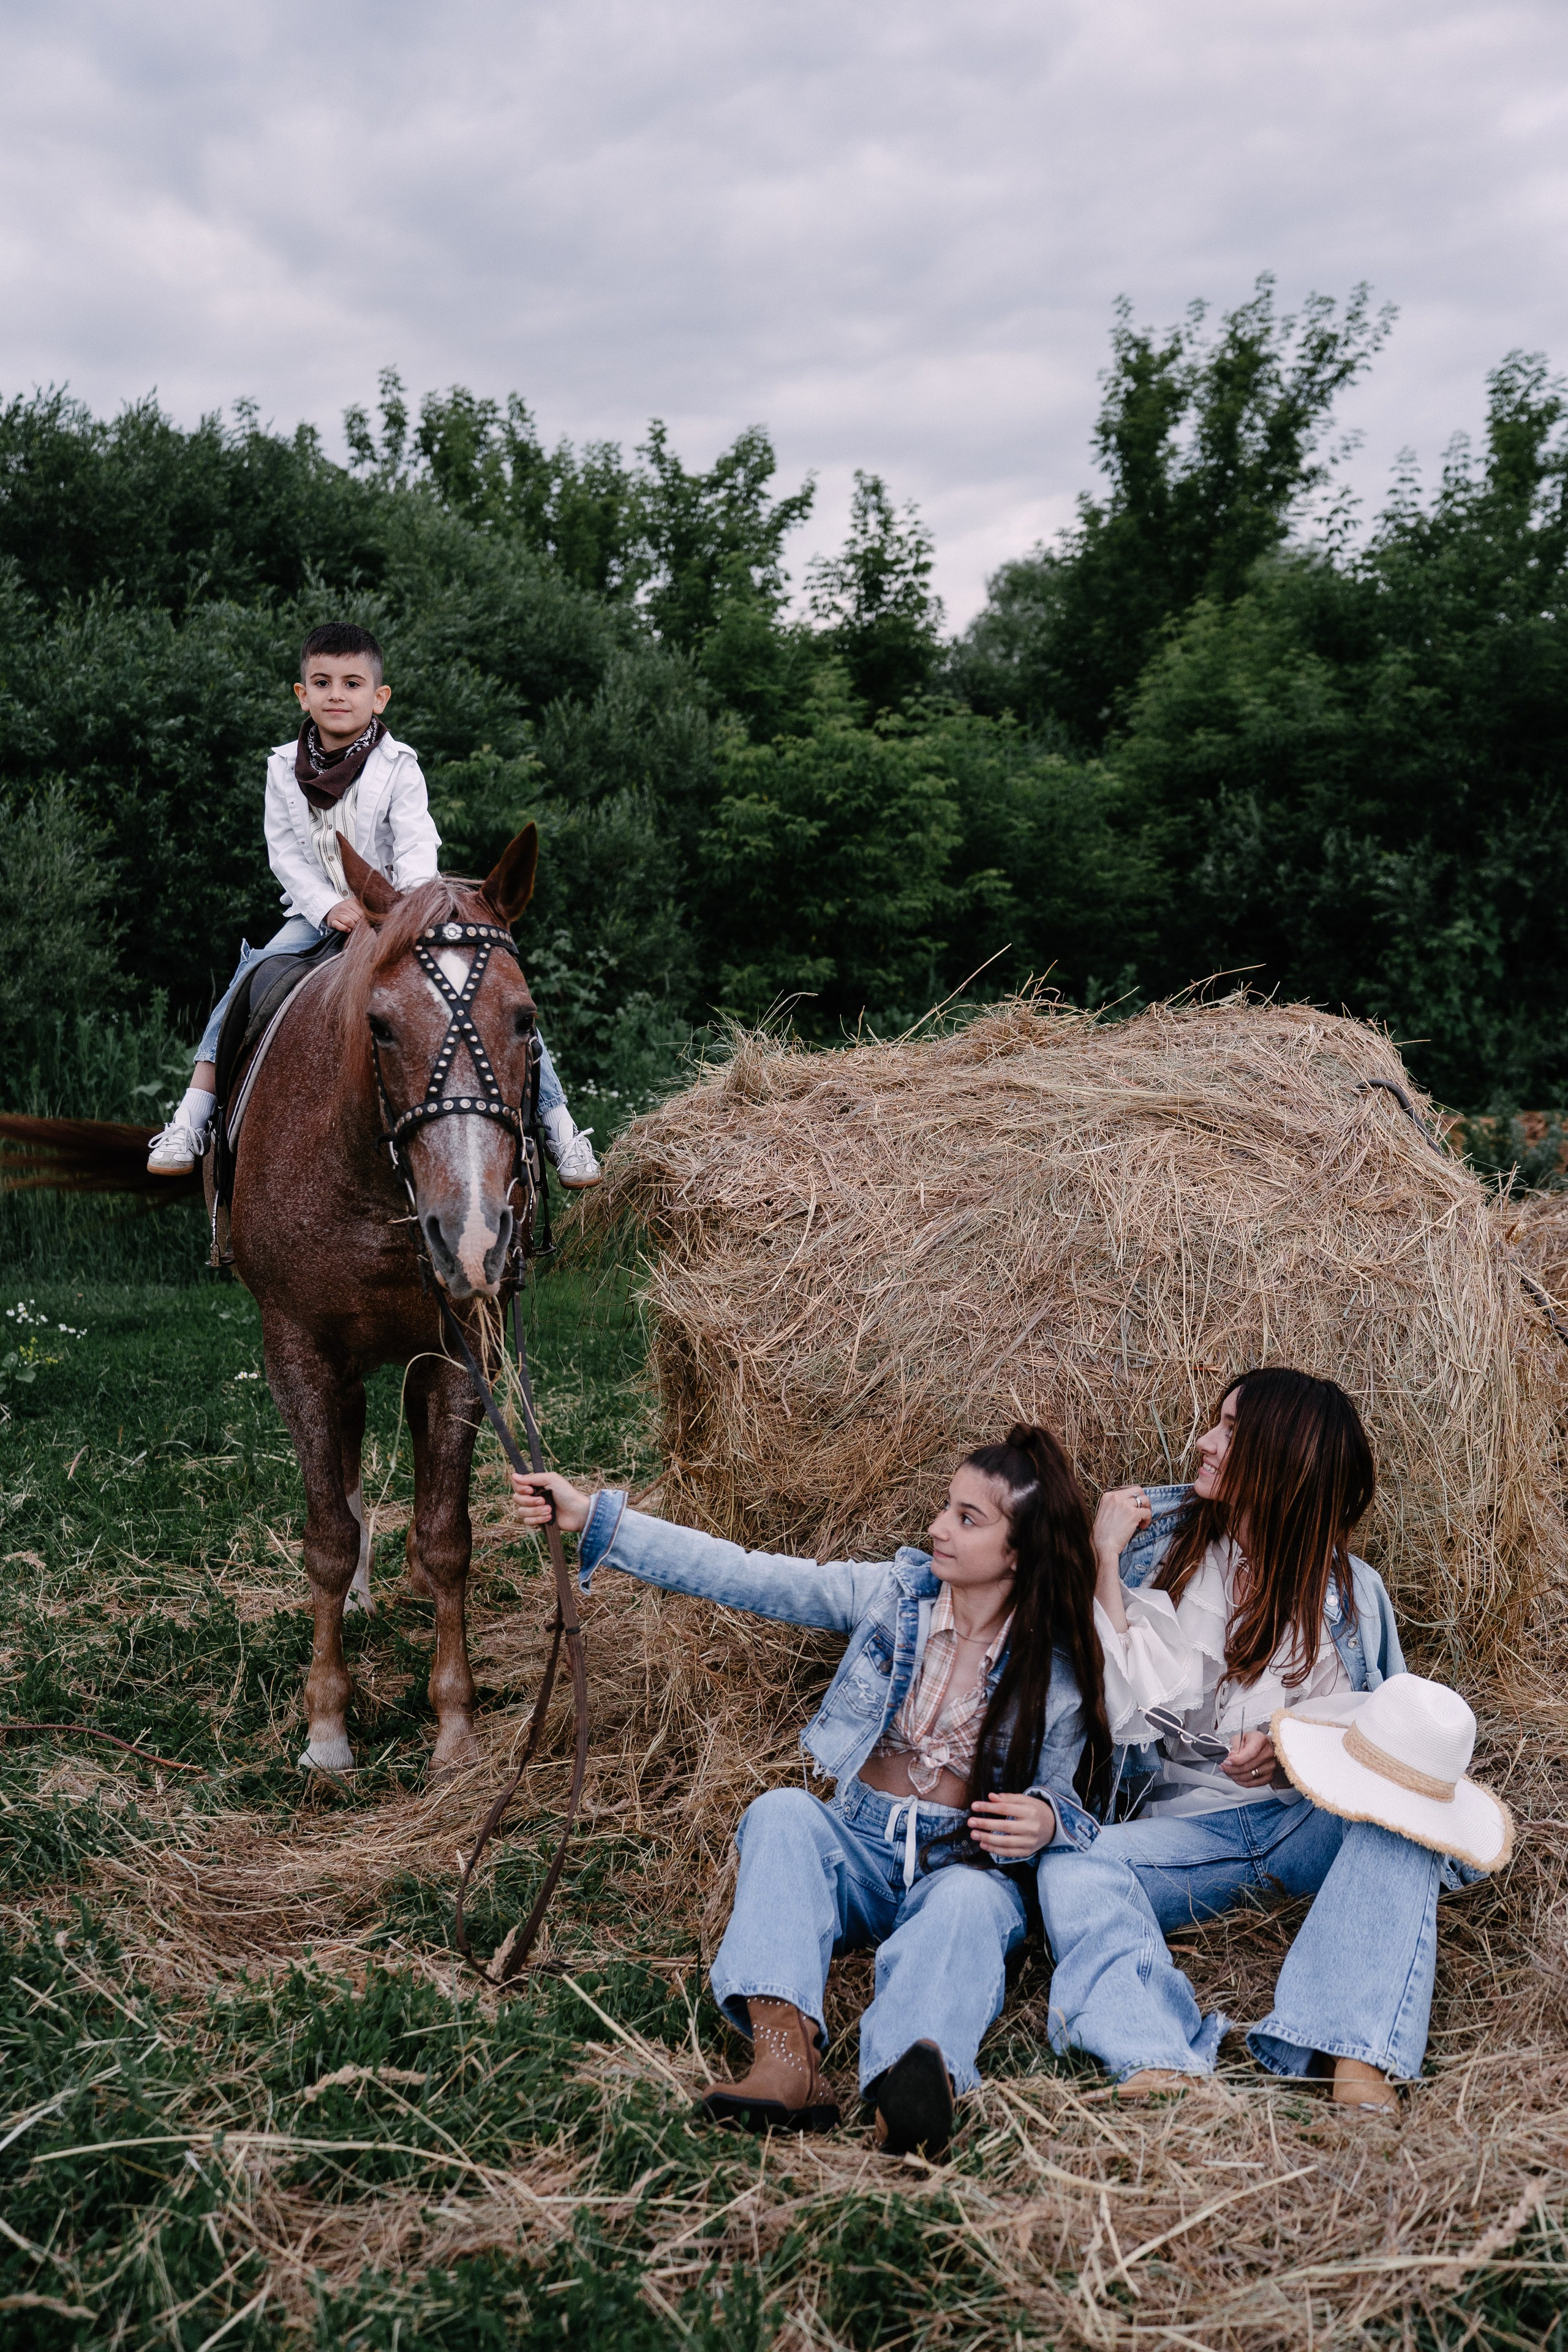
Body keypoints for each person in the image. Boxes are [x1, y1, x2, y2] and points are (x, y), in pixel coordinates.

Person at [512, 1423, 1113, 2157]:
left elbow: (1069, 1800)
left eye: (967, 1518)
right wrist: (598, 1519)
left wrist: (1048, 1821)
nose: (937, 1528)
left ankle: (910, 2082)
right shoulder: (894, 1600)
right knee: (783, 1813)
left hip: (960, 1864)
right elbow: (750, 1574)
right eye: (944, 1507)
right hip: (858, 1844)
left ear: (1018, 1553)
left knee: (972, 1903)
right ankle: (783, 2060)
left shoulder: (1054, 1667)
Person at [1035, 1366, 1512, 2113]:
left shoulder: (1355, 1597)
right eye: (1215, 1424)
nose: (1204, 1441)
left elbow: (1381, 1743)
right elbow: (1113, 1699)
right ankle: (1152, 2049)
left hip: (1299, 1826)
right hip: (1185, 1836)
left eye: (1229, 1430)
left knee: (1404, 1808)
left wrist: (1291, 1759)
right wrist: (1100, 1559)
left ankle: (1355, 2053)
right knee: (1073, 1870)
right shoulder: (1162, 1551)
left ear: (1282, 1460)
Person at [146, 622, 600, 1189]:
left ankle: (558, 1123)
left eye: (352, 683)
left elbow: (416, 843)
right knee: (250, 976)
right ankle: (192, 1117)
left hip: (402, 913)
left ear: (377, 697)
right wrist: (327, 906)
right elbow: (285, 854)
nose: (337, 694)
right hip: (316, 915)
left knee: (491, 995)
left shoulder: (398, 765)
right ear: (302, 694)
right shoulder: (281, 766)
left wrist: (402, 911)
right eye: (323, 682)